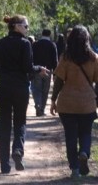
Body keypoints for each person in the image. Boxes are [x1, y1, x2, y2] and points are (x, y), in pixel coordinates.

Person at [0, 15, 49, 174]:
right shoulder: (25, 44)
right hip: (20, 88)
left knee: (5, 124)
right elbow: (28, 68)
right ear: (16, 26)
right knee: (20, 121)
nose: (27, 29)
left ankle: (4, 166)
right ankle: (17, 150)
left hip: (3, 88)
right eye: (26, 26)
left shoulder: (0, 43)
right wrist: (39, 69)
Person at [50, 25, 98, 178]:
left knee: (70, 136)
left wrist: (53, 99)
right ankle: (84, 152)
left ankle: (75, 169)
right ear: (87, 39)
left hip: (67, 104)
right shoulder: (94, 58)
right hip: (87, 104)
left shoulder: (66, 57)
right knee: (85, 133)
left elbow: (58, 81)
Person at [31, 29, 58, 116]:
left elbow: (31, 57)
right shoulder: (52, 45)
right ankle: (42, 108)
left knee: (36, 89)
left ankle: (38, 104)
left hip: (37, 70)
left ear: (42, 34)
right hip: (48, 70)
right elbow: (55, 60)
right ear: (49, 35)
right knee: (45, 90)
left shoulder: (35, 44)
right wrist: (55, 74)